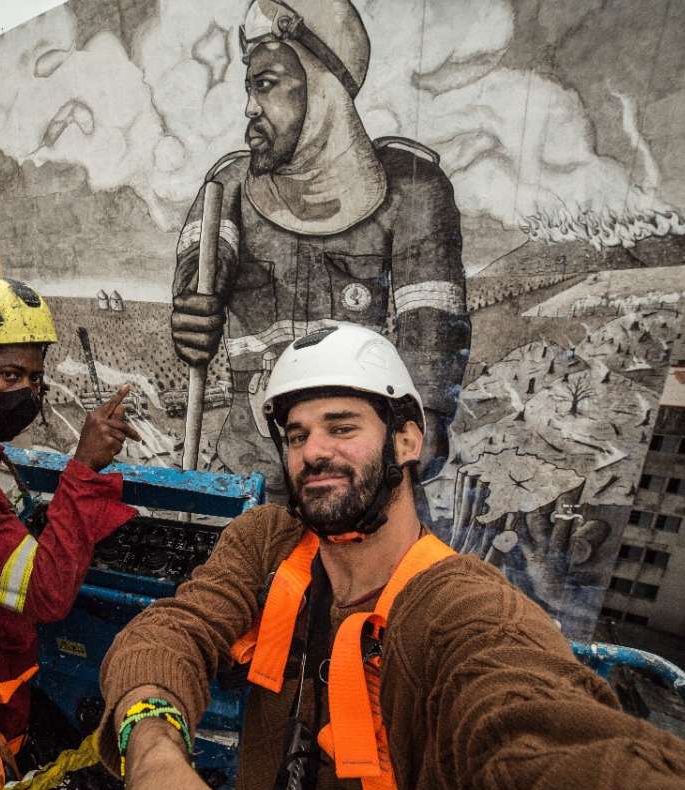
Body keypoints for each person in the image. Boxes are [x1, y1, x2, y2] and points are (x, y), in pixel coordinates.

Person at [99, 324, 685, 790]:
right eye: (296, 435)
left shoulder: (467, 611)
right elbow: (173, 630)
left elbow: (539, 733)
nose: (313, 452)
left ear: (407, 440)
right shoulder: (269, 542)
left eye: (342, 426)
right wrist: (155, 753)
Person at [170, 0, 471, 494]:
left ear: (322, 83)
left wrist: (412, 447)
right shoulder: (228, 189)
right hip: (251, 480)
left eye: (265, 84)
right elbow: (196, 280)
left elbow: (433, 341)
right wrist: (192, 314)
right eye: (250, 87)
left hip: (355, 484)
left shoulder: (413, 188)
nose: (250, 107)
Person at [0, 276, 141, 756]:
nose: (27, 392)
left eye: (35, 378)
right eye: (11, 376)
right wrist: (82, 468)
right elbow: (46, 593)